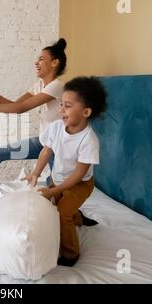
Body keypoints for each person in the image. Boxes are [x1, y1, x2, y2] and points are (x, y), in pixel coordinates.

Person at [23, 76, 107, 267]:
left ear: (86, 112)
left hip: (80, 184)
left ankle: (71, 254)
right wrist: (36, 173)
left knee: (62, 212)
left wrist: (53, 191)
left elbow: (78, 175)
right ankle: (78, 217)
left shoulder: (88, 140)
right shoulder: (56, 128)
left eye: (67, 106)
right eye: (61, 104)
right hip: (58, 178)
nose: (61, 110)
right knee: (58, 204)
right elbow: (46, 150)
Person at [0, 39, 68, 181]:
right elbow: (14, 104)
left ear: (54, 63)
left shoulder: (56, 86)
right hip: (43, 142)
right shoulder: (39, 85)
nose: (36, 62)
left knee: (53, 187)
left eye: (41, 59)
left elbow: (20, 109)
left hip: (57, 148)